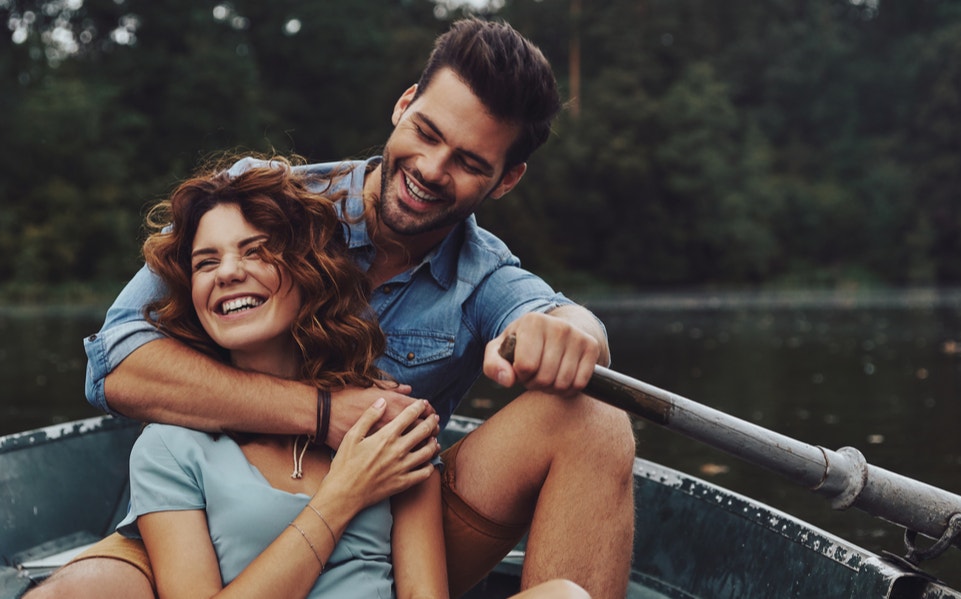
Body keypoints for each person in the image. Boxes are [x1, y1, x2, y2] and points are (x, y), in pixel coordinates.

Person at [32, 17, 634, 599]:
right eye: (426, 132)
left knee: (594, 419)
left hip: (384, 526)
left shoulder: (484, 278)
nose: (430, 169)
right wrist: (323, 412)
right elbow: (113, 365)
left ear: (505, 180)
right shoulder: (265, 206)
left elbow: (554, 317)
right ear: (403, 105)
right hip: (203, 522)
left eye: (470, 163)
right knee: (79, 593)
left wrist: (575, 330)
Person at [112, 159, 586, 599]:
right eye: (206, 263)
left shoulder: (386, 423)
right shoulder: (168, 449)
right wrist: (343, 496)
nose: (229, 272)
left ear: (307, 271)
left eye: (256, 251)